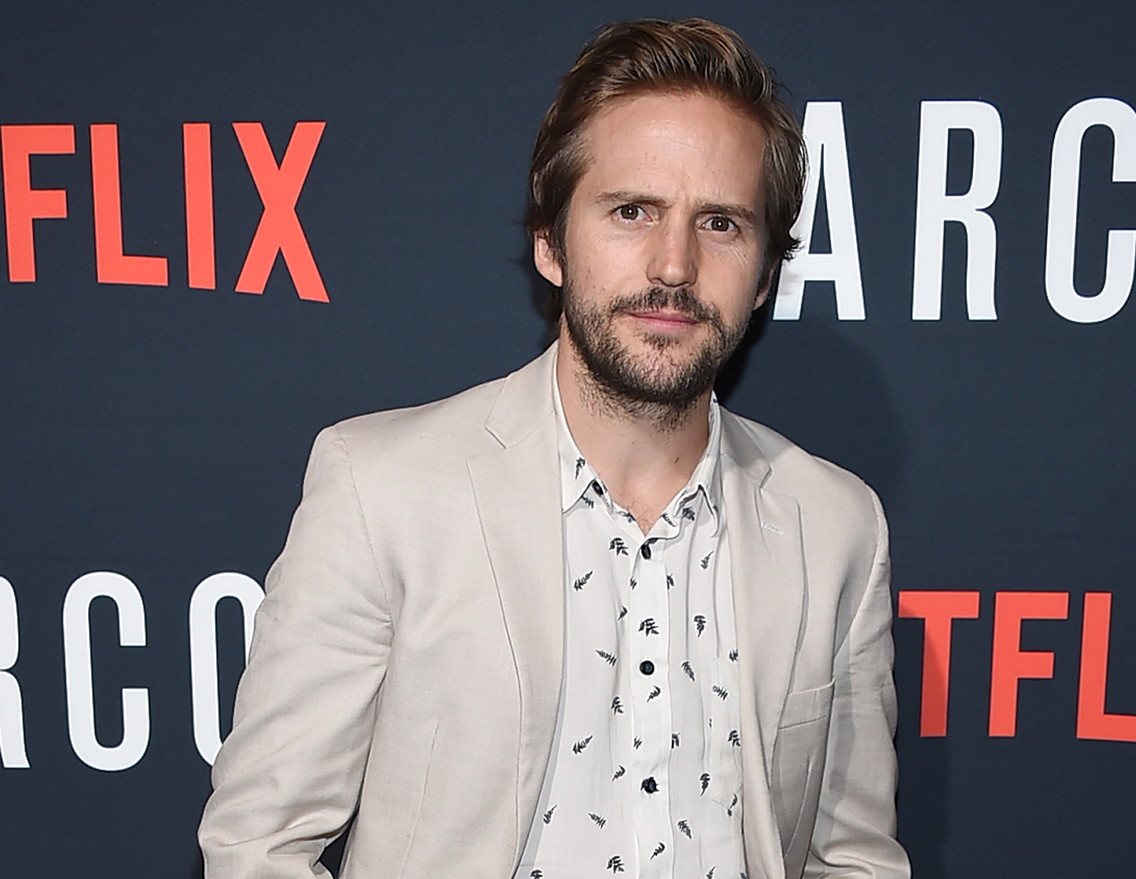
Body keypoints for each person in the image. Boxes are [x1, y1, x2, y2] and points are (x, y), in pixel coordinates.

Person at [198, 17, 909, 879]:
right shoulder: (381, 489)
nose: (674, 263)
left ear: (764, 275)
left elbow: (855, 857)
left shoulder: (836, 528)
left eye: (720, 223)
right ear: (550, 242)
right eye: (631, 211)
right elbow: (256, 847)